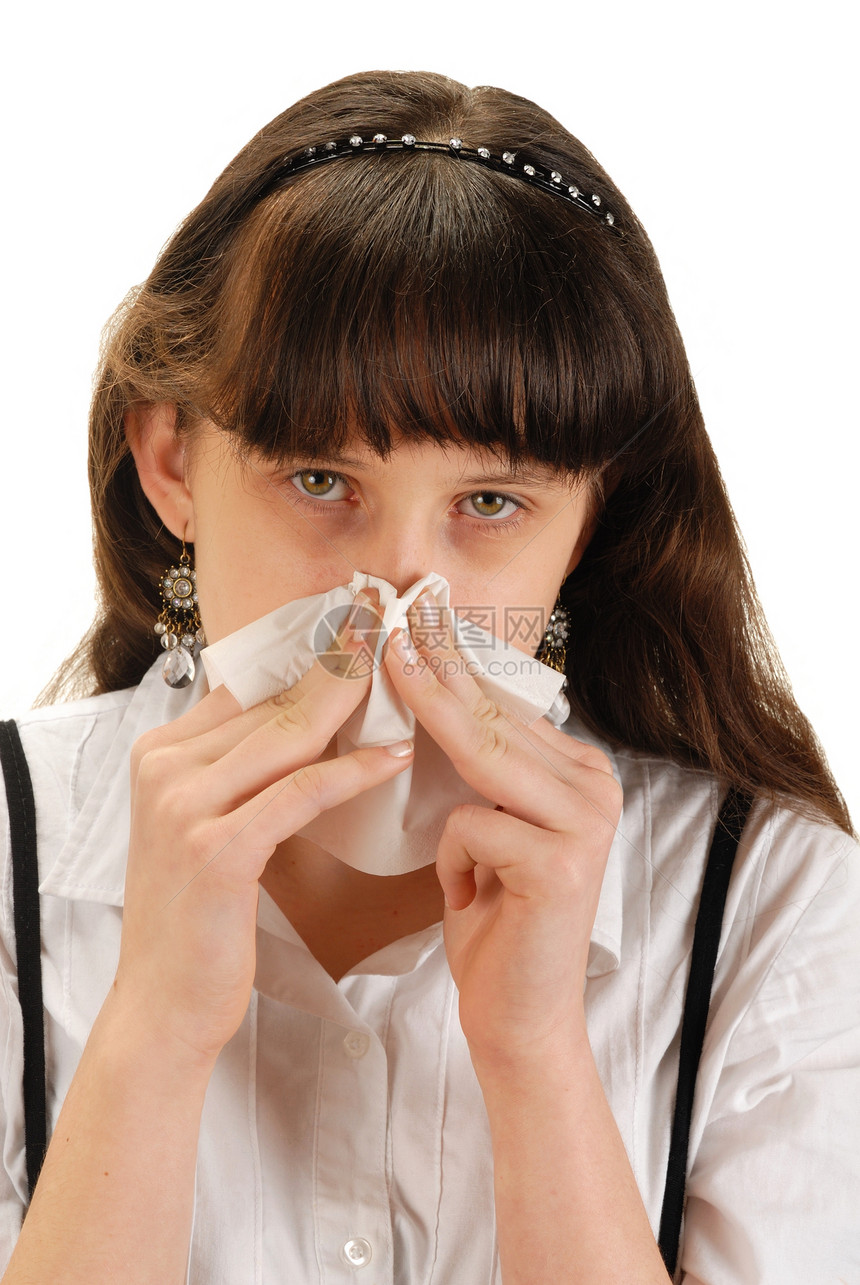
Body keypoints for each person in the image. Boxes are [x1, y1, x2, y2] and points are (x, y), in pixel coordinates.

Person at [0, 69, 857, 1285]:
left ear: (587, 525)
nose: (397, 591)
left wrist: (535, 1056)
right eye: (318, 482)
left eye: (490, 503)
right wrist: (150, 1034)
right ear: (172, 460)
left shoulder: (771, 903)